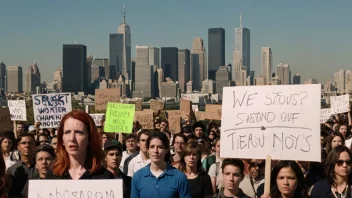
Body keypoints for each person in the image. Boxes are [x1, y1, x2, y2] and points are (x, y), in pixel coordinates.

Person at [46, 110, 113, 179]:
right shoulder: (52, 174)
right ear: (62, 139)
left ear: (90, 138)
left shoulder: (105, 178)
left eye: (79, 132)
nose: (72, 138)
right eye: (67, 132)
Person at [131, 131, 191, 198]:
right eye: (152, 147)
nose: (155, 151)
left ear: (166, 150)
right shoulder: (138, 177)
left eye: (160, 147)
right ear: (148, 150)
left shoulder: (179, 177)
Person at [6, 133, 37, 197]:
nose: (27, 145)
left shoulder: (43, 168)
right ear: (18, 147)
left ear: (35, 146)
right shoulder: (11, 170)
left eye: (30, 143)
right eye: (23, 143)